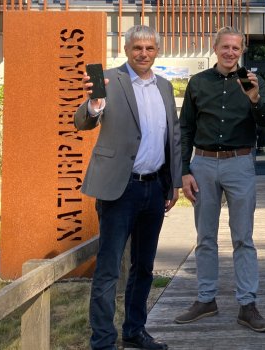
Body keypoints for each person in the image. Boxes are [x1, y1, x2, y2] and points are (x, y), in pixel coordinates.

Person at [74, 25, 181, 350]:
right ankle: (103, 341)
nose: (143, 53)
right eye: (137, 48)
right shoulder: (108, 80)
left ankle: (135, 330)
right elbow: (83, 122)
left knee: (144, 267)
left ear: (157, 51)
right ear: (126, 49)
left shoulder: (164, 86)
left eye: (150, 48)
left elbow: (172, 136)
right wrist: (93, 104)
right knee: (108, 270)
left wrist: (174, 183)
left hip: (154, 189)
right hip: (120, 190)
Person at [174, 26, 265, 332]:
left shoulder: (253, 82)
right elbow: (185, 129)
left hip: (239, 163)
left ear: (241, 51)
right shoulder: (198, 83)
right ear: (215, 48)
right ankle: (206, 299)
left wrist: (255, 98)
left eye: (236, 48)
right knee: (205, 237)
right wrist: (184, 172)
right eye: (226, 47)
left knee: (243, 237)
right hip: (202, 164)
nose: (231, 52)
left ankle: (247, 304)